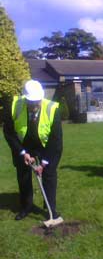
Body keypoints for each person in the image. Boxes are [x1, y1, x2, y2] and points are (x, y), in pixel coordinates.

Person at [3, 80, 63, 224]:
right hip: (23, 144)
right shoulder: (14, 106)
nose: (34, 105)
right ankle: (26, 206)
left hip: (45, 145)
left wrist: (43, 163)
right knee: (23, 175)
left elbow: (56, 141)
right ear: (25, 99)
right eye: (31, 102)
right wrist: (23, 152)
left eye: (37, 101)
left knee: (49, 175)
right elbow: (9, 133)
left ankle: (50, 209)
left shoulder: (52, 108)